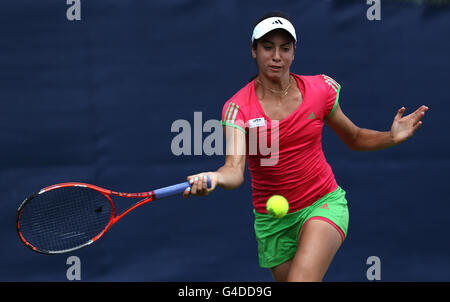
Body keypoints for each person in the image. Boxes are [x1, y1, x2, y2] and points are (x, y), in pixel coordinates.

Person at [182, 11, 429, 282]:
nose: (277, 56)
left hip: (323, 203)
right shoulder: (237, 108)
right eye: (267, 47)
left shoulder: (320, 89)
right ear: (253, 51)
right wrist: (216, 177)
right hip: (273, 221)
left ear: (294, 52)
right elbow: (234, 169)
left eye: (285, 48)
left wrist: (390, 137)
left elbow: (354, 137)